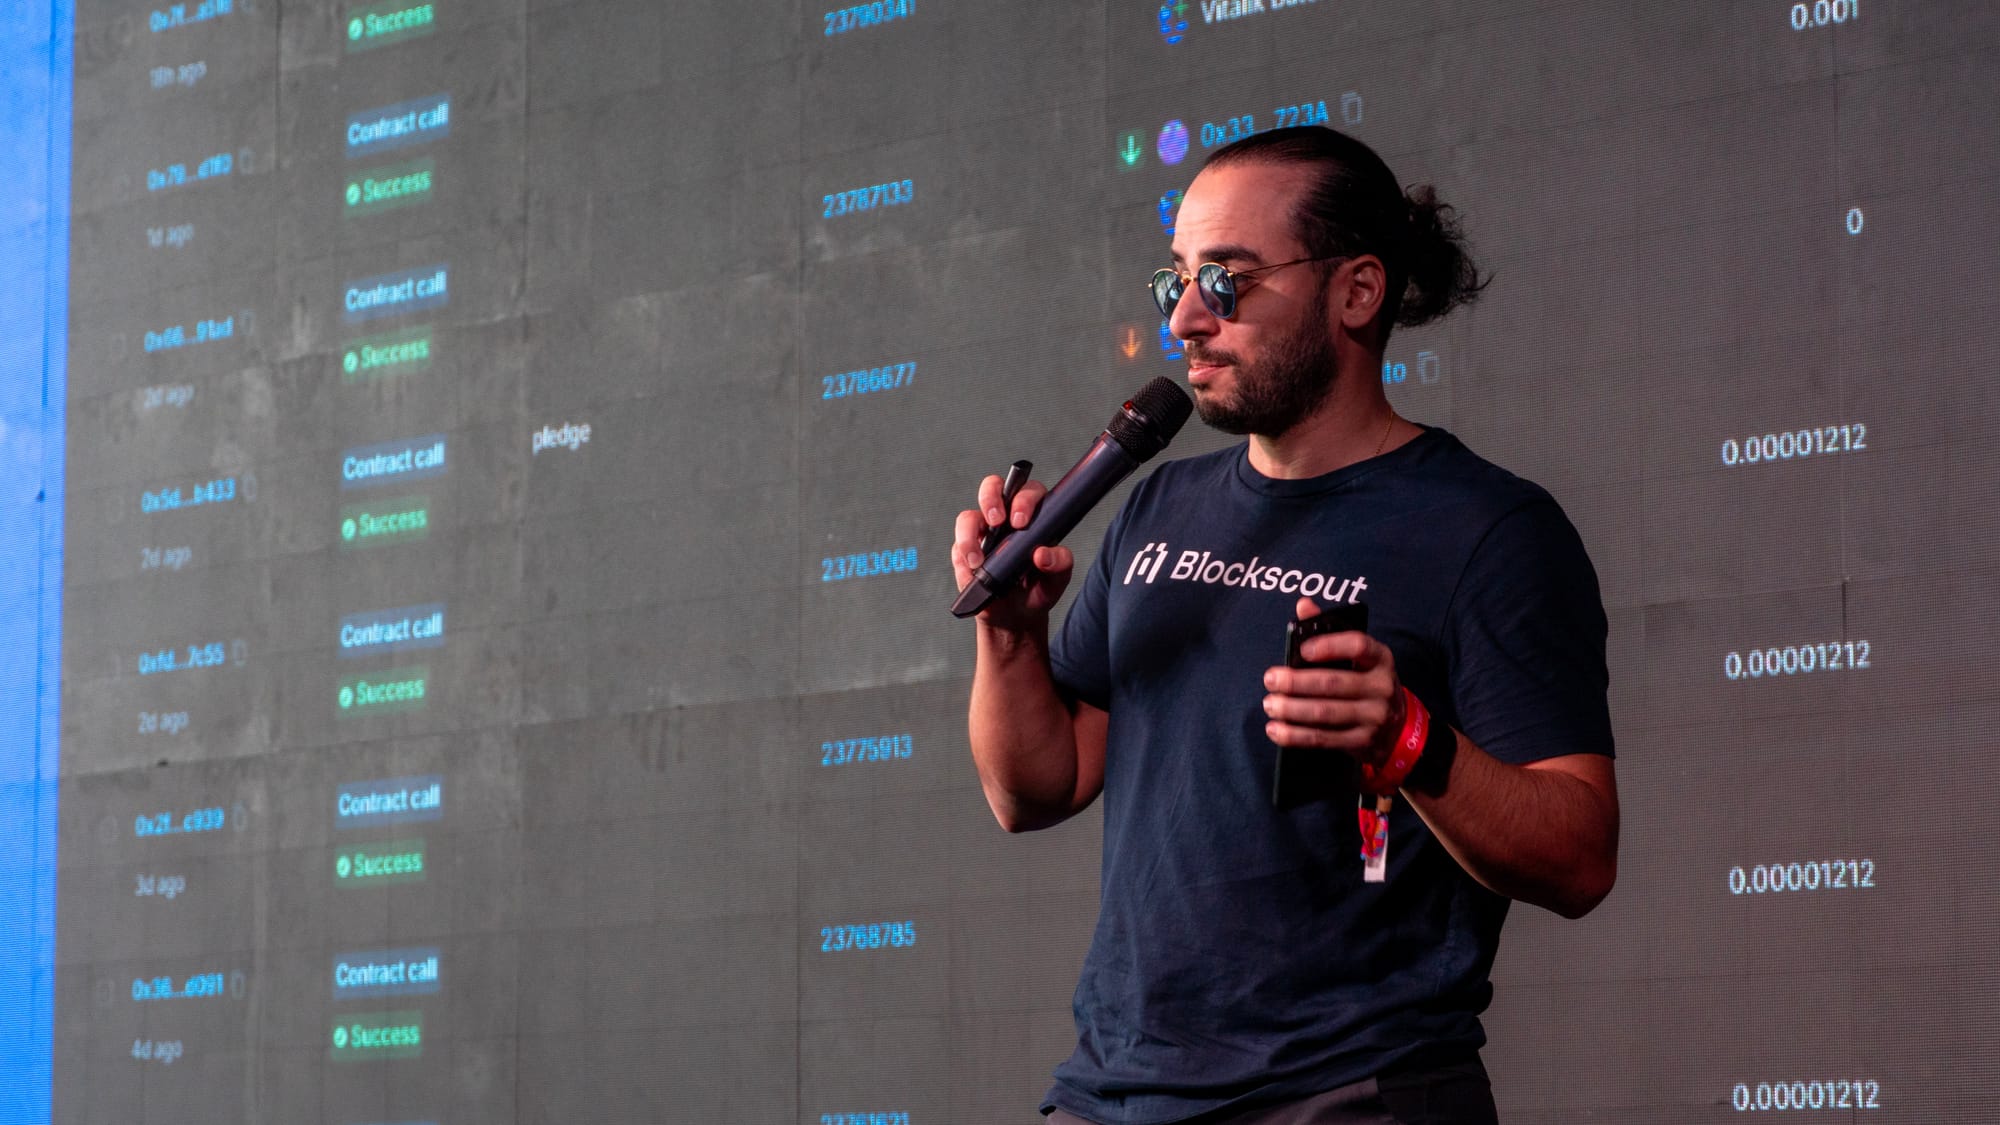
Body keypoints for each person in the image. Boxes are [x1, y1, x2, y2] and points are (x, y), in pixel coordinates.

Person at [950, 126, 1619, 1125]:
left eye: (1225, 282)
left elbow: (1578, 856)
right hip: (1113, 1093)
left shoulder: (1486, 531)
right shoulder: (1152, 508)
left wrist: (1407, 741)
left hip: (1346, 1094)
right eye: (1173, 281)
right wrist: (1007, 636)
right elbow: (1035, 787)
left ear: (1354, 292)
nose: (1184, 319)